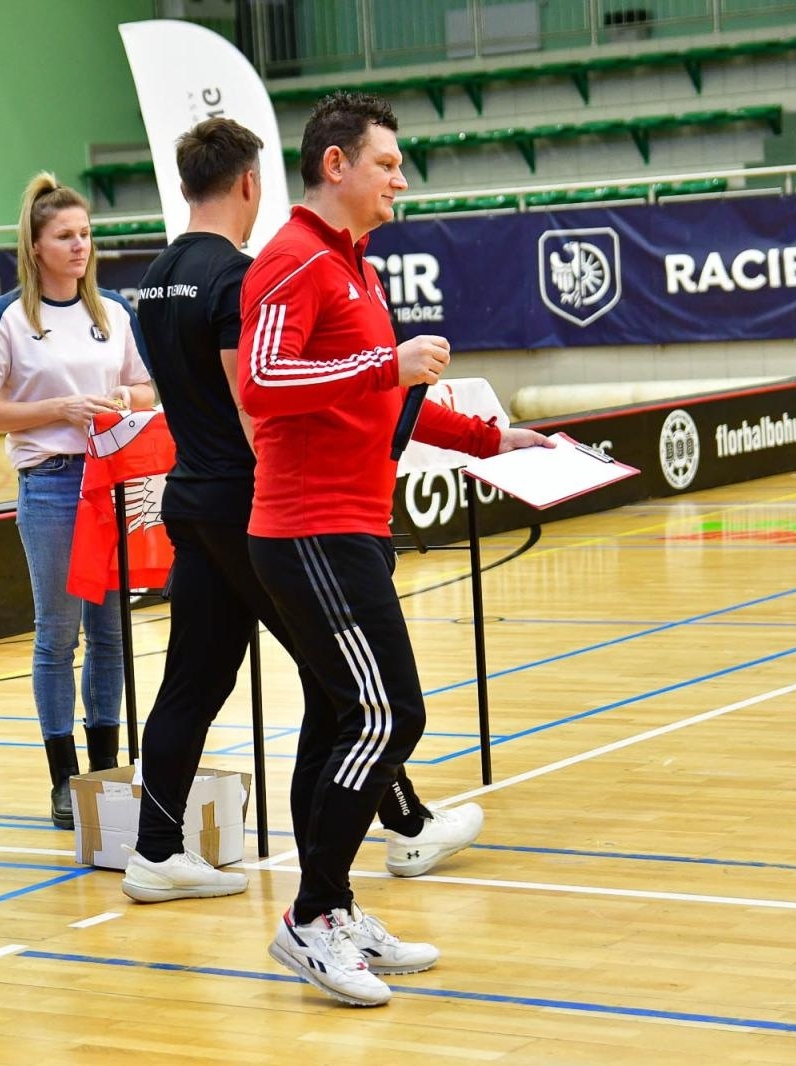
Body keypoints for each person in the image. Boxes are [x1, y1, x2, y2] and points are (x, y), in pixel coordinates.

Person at [239, 92, 552, 1007]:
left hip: (353, 527)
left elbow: (392, 403)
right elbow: (261, 382)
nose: (399, 179)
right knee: (391, 717)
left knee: (343, 721)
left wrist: (500, 442)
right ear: (335, 166)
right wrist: (387, 363)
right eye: (386, 163)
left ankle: (331, 908)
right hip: (308, 529)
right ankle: (309, 920)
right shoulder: (293, 261)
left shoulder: (358, 270)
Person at [120, 119, 483, 905]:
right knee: (349, 686)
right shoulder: (245, 273)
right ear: (251, 182)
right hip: (265, 507)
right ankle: (395, 836)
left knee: (194, 680)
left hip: (190, 495)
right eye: (387, 163)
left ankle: (154, 849)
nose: (396, 177)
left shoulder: (154, 278)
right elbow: (257, 398)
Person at [0, 175, 155, 828]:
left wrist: (120, 402)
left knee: (109, 633)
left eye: (86, 234)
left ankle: (105, 773)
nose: (80, 246)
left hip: (112, 483)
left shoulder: (114, 312)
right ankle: (62, 779)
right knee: (58, 632)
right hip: (50, 485)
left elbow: (148, 391)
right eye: (66, 236)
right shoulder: (8, 319)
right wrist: (59, 410)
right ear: (37, 246)